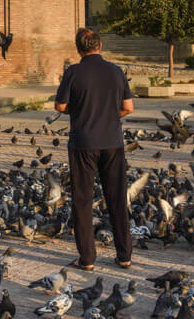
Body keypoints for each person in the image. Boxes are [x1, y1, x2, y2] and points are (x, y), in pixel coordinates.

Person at [54, 27, 135, 270]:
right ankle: (124, 256)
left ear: (79, 49)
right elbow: (129, 107)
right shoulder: (116, 71)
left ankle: (87, 259)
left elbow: (60, 106)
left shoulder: (73, 72)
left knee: (83, 200)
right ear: (100, 46)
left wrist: (78, 111)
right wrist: (110, 116)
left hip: (83, 143)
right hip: (112, 141)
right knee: (117, 198)